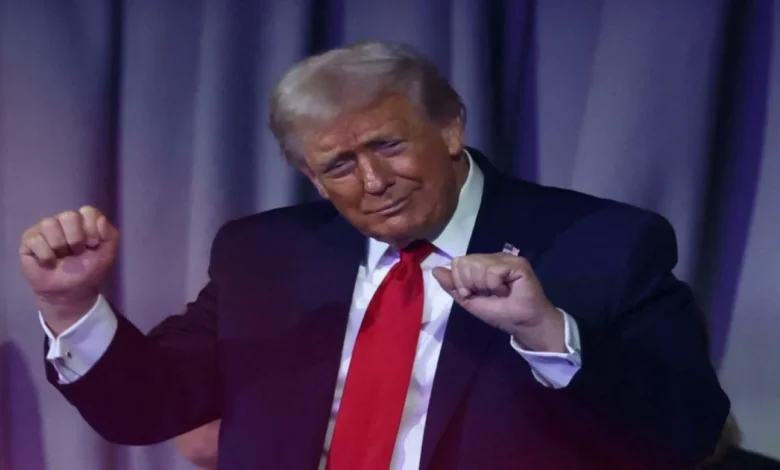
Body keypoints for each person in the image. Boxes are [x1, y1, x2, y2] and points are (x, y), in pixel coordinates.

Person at [20, 42, 729, 470]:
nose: (373, 182)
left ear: (449, 129)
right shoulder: (266, 255)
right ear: (311, 177)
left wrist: (546, 334)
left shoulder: (602, 243)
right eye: (338, 165)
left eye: (389, 145)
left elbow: (685, 436)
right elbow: (148, 408)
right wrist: (69, 304)